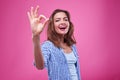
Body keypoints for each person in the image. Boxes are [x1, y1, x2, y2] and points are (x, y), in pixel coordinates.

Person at [27, 5, 81, 80]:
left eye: (65, 19)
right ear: (52, 26)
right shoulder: (48, 46)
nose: (63, 22)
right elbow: (39, 66)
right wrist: (36, 37)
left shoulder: (72, 46)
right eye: (57, 20)